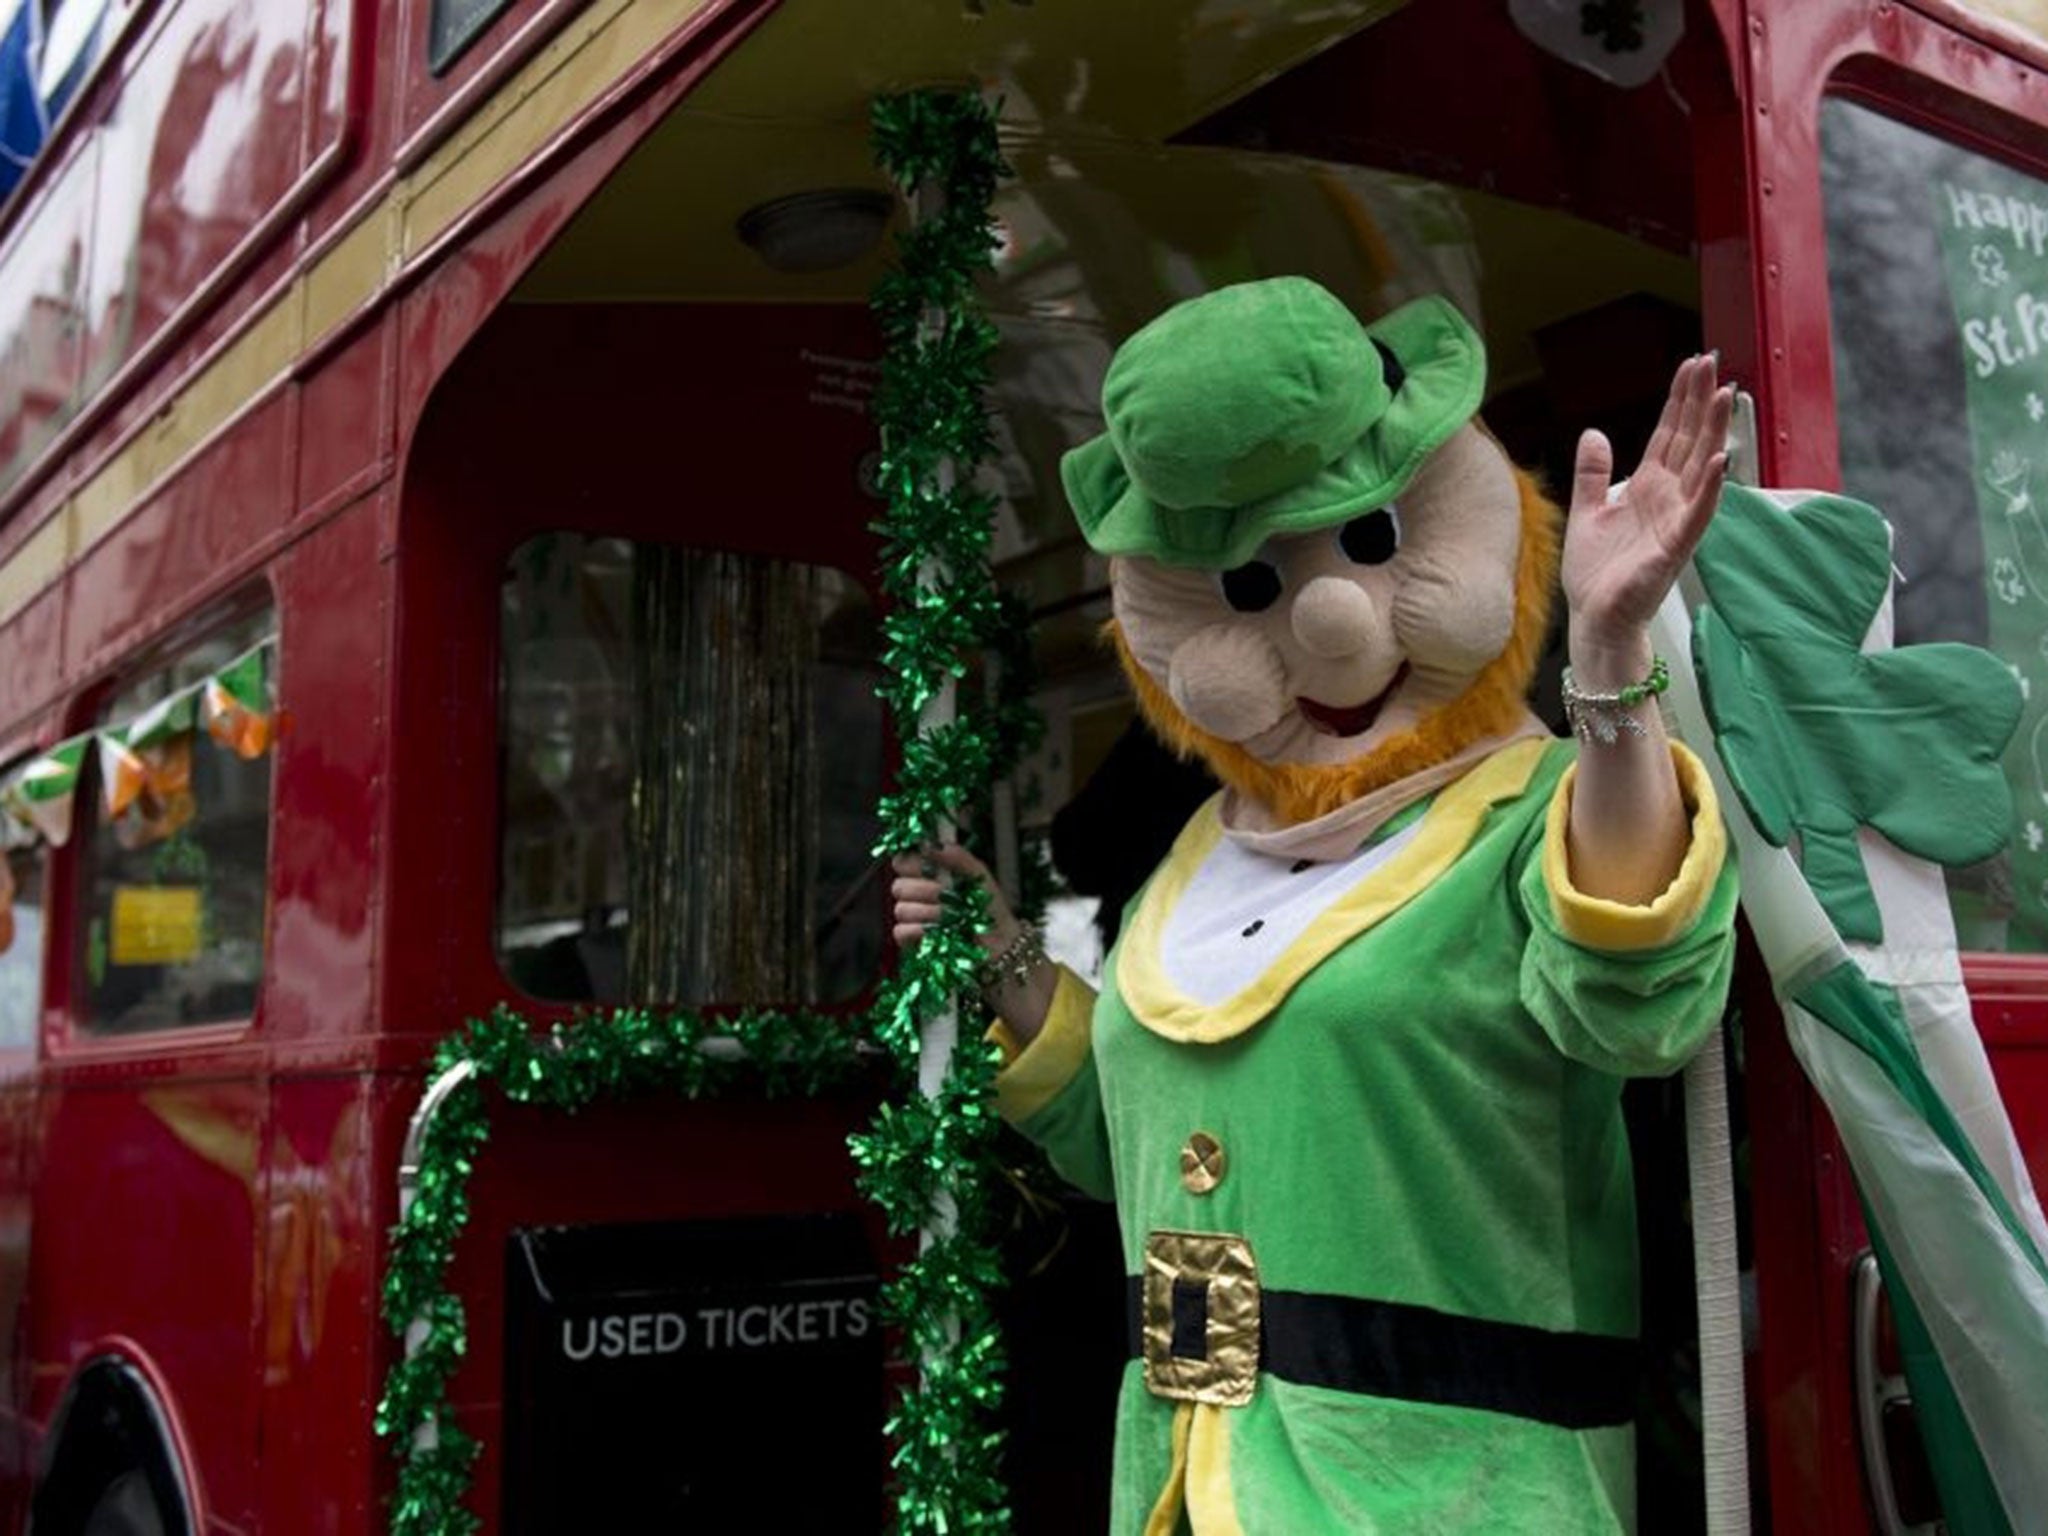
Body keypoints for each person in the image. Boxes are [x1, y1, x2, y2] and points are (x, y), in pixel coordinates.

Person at [894, 278, 1738, 1532]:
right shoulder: (1200, 848)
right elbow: (1132, 1138)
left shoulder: (1528, 811)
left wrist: (1607, 657)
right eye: (1246, 585)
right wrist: (1005, 952)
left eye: (1371, 539)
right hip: (1187, 1491)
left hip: (1449, 1498)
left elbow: (1638, 1008)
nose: (1330, 619)